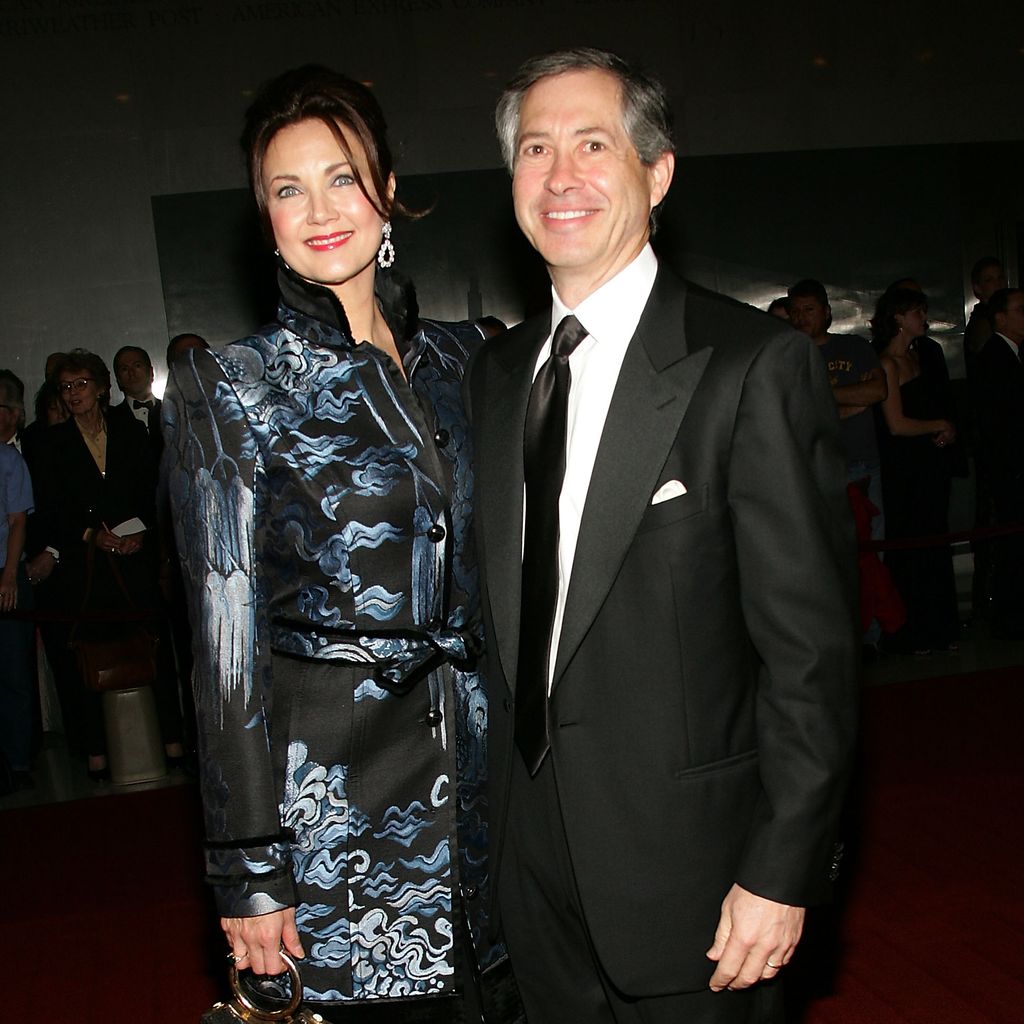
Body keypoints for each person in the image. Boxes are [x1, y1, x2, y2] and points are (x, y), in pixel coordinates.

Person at [468, 47, 858, 1023]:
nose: (560, 176)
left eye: (592, 144)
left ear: (656, 171)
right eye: (537, 149)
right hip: (530, 869)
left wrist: (783, 866)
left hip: (696, 878)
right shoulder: (495, 377)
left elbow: (810, 656)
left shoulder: (748, 366)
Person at [163, 66, 515, 1022]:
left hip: (490, 799)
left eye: (341, 177)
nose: (319, 209)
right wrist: (246, 874)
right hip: (333, 812)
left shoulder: (469, 359)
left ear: (387, 189)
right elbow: (224, 653)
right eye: (287, 188)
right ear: (262, 214)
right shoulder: (229, 388)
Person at [26, 349, 184, 780]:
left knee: (153, 642)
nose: (73, 394)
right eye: (66, 387)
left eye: (81, 385)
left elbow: (153, 490)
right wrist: (90, 535)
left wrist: (142, 533)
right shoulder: (51, 443)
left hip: (135, 556)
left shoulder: (130, 430)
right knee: (92, 650)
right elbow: (50, 510)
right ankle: (97, 751)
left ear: (100, 388)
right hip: (88, 563)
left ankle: (172, 741)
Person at [871, 288, 960, 653]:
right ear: (898, 317)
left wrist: (942, 428)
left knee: (935, 543)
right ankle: (912, 632)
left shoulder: (921, 356)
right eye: (917, 312)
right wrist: (937, 424)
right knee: (912, 546)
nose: (923, 318)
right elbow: (895, 423)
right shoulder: (888, 363)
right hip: (904, 470)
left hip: (927, 467)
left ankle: (939, 629)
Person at [972, 287, 1024, 639]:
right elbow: (999, 422)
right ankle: (1007, 617)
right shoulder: (995, 358)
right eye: (1021, 309)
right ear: (1001, 318)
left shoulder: (1013, 355)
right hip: (1009, 470)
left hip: (1013, 467)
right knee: (1009, 544)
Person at [108, 345, 163, 458]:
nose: (131, 373)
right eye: (124, 369)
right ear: (118, 380)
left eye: (137, 365)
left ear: (151, 372)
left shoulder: (173, 412)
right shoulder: (109, 420)